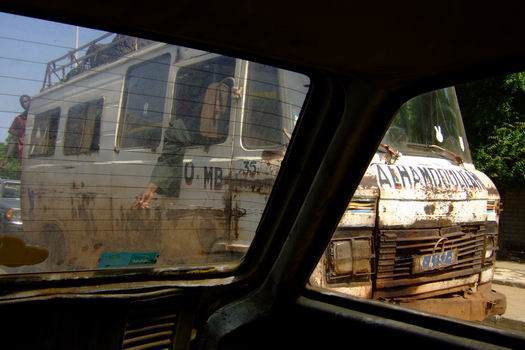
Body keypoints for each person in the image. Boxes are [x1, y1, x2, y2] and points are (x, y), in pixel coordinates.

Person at [7, 95, 31, 160]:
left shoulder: (41, 115)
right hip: (24, 154)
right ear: (21, 105)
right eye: (23, 102)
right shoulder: (19, 119)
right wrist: (6, 157)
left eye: (27, 101)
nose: (26, 103)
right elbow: (13, 139)